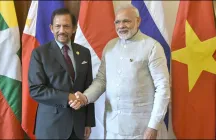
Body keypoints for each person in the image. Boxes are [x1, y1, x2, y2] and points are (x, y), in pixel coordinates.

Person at [69, 5, 170, 139]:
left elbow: (163, 88)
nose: (121, 25)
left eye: (126, 21)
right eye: (118, 22)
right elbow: (101, 80)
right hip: (112, 127)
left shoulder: (152, 47)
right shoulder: (110, 47)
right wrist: (85, 97)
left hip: (142, 129)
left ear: (138, 21)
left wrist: (153, 126)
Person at [28, 8, 95, 139]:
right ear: (51, 28)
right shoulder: (40, 53)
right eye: (58, 26)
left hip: (78, 126)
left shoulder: (84, 52)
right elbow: (36, 90)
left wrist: (88, 122)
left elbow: (88, 87)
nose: (62, 30)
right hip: (51, 127)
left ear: (74, 28)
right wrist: (68, 97)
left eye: (66, 26)